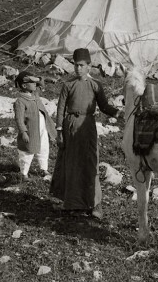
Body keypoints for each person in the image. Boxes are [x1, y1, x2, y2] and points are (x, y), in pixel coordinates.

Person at [51, 48, 119, 218]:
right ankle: (72, 203)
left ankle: (95, 204)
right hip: (71, 126)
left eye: (81, 65)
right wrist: (59, 131)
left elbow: (104, 106)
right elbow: (60, 109)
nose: (78, 68)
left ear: (89, 66)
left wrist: (117, 113)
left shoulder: (95, 85)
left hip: (87, 126)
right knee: (72, 164)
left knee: (90, 163)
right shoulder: (68, 84)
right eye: (76, 65)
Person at [13, 71, 56, 186]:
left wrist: (36, 78)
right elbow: (19, 119)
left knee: (44, 147)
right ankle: (24, 173)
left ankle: (44, 169)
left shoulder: (34, 95)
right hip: (30, 131)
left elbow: (41, 83)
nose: (35, 84)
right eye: (31, 82)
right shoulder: (20, 101)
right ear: (24, 86)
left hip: (42, 128)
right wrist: (23, 132)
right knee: (27, 151)